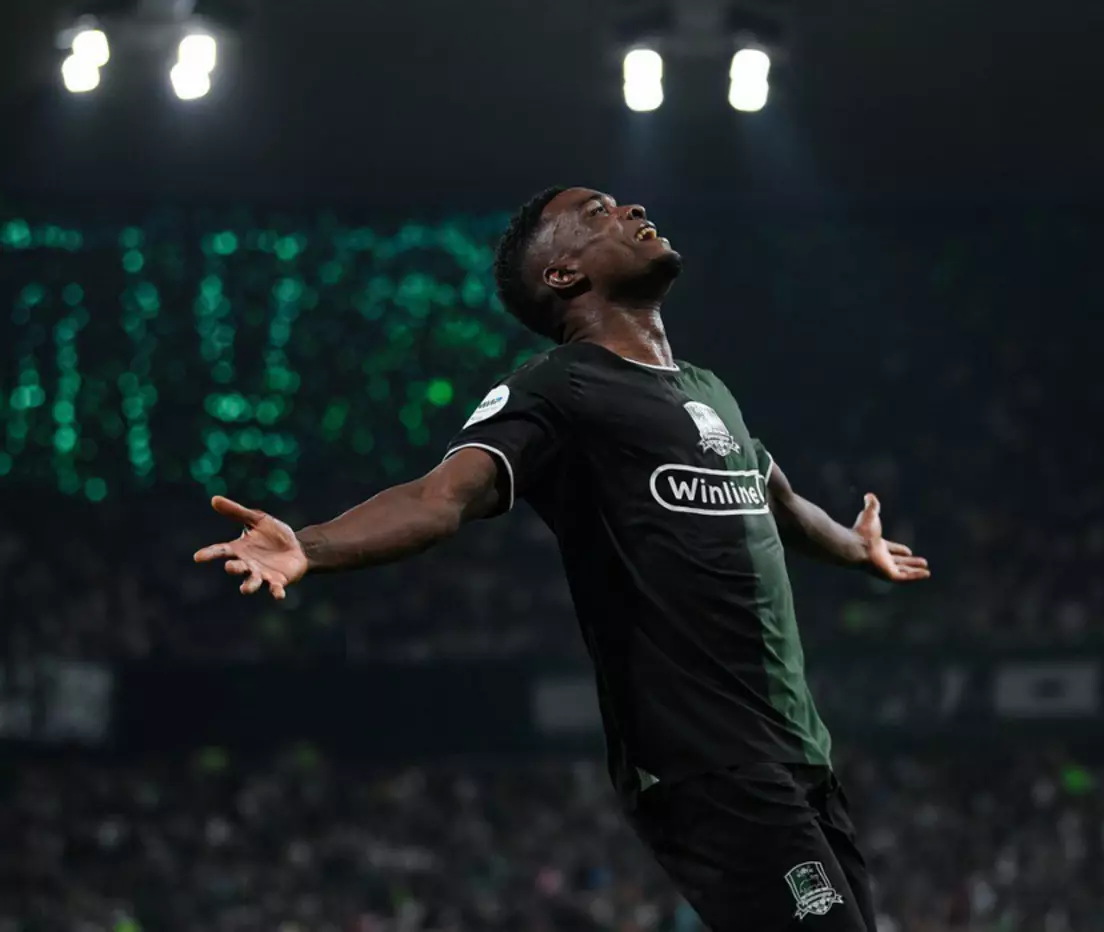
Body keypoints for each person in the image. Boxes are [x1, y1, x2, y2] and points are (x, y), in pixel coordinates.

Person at [194, 187, 929, 931]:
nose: (631, 210)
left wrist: (856, 546)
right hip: (705, 758)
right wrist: (311, 546)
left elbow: (781, 501)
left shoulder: (708, 390)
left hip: (799, 750)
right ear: (563, 274)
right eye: (597, 213)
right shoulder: (557, 386)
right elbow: (439, 497)